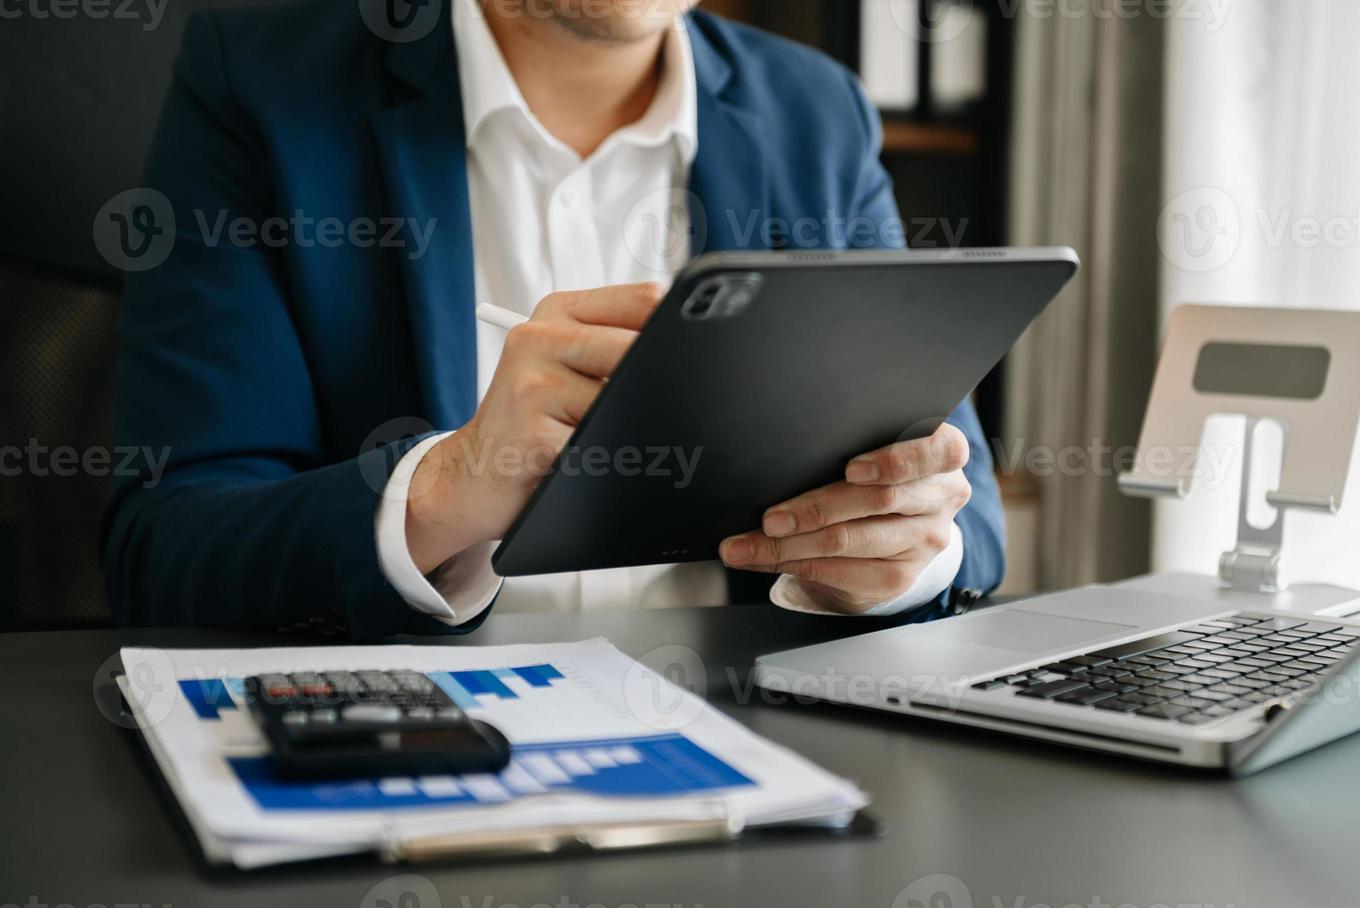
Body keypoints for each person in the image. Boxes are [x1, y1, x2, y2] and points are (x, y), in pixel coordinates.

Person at [101, 0, 1006, 638]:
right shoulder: (257, 82)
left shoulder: (816, 108)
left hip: (755, 739)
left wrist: (891, 558)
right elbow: (165, 549)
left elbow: (967, 523)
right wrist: (444, 489)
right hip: (423, 742)